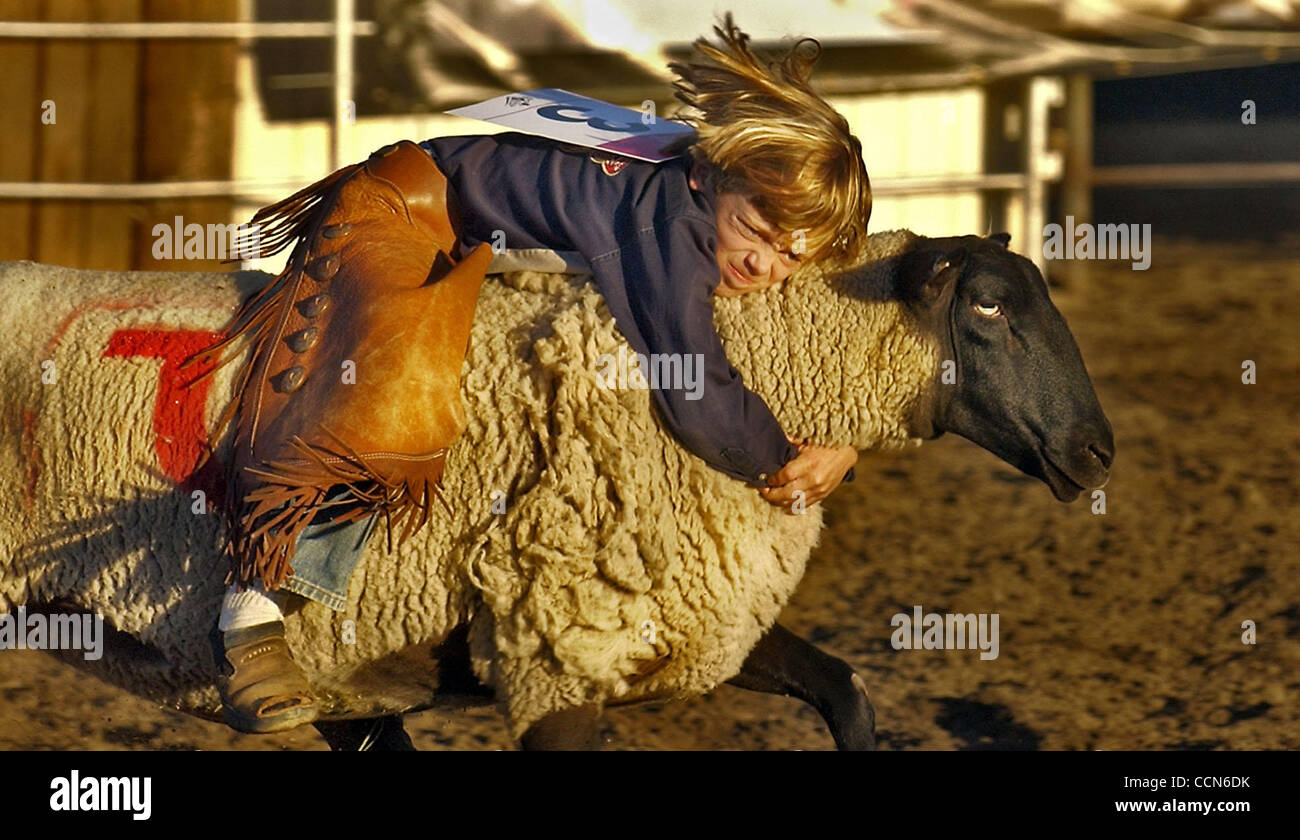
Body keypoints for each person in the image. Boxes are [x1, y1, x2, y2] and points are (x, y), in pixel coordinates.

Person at [206, 14, 872, 733]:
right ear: (714, 176)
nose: (763, 265)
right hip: (398, 213)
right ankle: (251, 613)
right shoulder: (667, 225)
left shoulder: (692, 187)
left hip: (459, 220)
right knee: (388, 393)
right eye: (757, 231)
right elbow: (693, 389)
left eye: (790, 257)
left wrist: (841, 443)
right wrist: (787, 461)